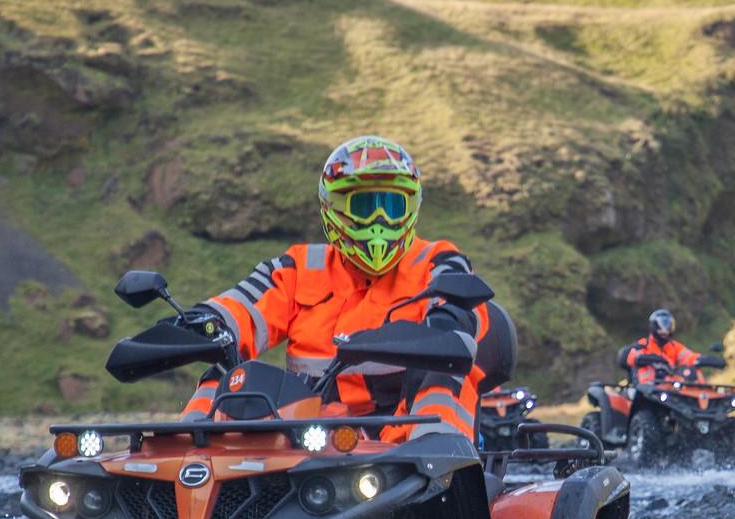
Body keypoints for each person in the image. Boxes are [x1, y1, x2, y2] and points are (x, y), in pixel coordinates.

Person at [168, 135, 505, 441]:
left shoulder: (437, 261)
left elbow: (461, 302)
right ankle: (184, 458)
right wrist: (204, 322)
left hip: (404, 437)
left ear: (411, 208)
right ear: (334, 208)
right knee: (224, 373)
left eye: (391, 207)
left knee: (442, 377)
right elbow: (245, 304)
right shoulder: (300, 267)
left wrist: (447, 321)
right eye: (363, 206)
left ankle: (439, 472)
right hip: (310, 438)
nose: (379, 221)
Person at [620, 308, 702, 386]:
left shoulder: (674, 346)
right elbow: (633, 358)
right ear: (654, 326)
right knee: (647, 368)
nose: (665, 330)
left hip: (667, 387)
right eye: (662, 325)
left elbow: (689, 357)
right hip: (644, 388)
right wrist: (652, 359)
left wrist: (703, 360)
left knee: (694, 372)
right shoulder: (643, 344)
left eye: (669, 326)